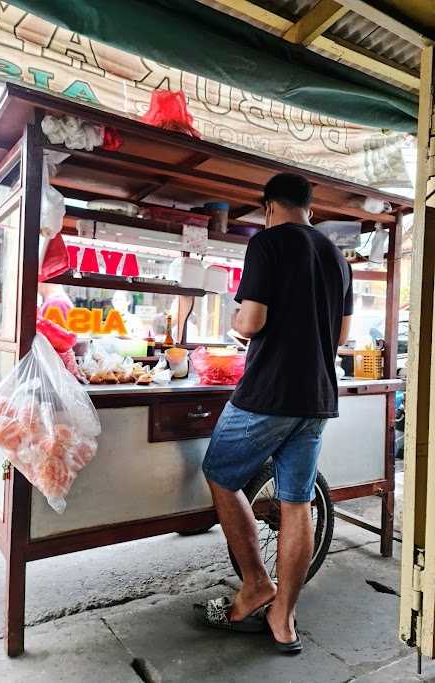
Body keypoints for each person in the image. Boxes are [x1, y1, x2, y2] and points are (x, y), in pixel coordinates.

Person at [197, 173, 353, 653]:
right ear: (311, 206)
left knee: (221, 475)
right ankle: (283, 618)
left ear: (268, 206)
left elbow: (252, 321)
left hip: (268, 394)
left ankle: (255, 586)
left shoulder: (266, 244)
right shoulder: (337, 256)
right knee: (296, 500)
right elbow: (342, 335)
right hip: (317, 397)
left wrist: (235, 319)